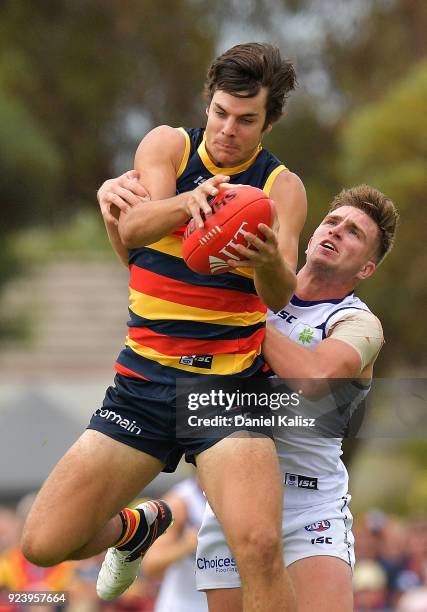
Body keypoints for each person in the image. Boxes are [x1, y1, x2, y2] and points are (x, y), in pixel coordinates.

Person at [21, 42, 307, 612]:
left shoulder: (282, 189)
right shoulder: (170, 146)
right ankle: (137, 528)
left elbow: (281, 293)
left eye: (246, 120)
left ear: (268, 122)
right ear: (209, 102)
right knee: (44, 541)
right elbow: (134, 228)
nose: (228, 129)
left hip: (226, 394)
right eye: (221, 112)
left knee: (260, 546)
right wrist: (192, 201)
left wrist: (268, 256)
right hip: (143, 383)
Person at [194, 185, 398, 612]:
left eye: (354, 233)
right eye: (332, 222)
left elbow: (315, 377)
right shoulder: (252, 289)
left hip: (311, 508)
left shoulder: (358, 323)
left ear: (366, 269)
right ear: (311, 235)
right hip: (236, 501)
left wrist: (242, 316)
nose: (338, 231)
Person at [142, 476, 208, 612]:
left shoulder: (239, 495)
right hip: (181, 605)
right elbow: (150, 564)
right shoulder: (180, 502)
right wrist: (186, 546)